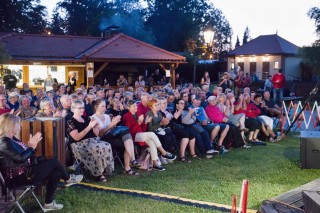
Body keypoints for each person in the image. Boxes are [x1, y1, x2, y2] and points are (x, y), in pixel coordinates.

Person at [0, 113, 83, 211]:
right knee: (54, 161)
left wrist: (31, 148)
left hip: (26, 171)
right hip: (18, 178)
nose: (19, 126)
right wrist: (31, 147)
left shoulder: (12, 139)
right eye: (18, 123)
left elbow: (24, 155)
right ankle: (68, 179)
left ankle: (49, 204)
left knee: (56, 173)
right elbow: (20, 158)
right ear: (11, 125)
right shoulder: (3, 142)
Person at [66, 100, 114, 182]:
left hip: (93, 141)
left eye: (83, 108)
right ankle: (98, 173)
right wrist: (89, 126)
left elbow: (96, 134)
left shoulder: (87, 118)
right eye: (79, 108)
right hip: (79, 145)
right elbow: (76, 138)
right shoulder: (70, 121)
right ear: (73, 109)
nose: (82, 110)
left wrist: (95, 126)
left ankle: (104, 169)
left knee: (107, 145)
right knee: (96, 148)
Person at [122, 100, 176, 171]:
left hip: (140, 134)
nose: (136, 107)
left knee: (151, 142)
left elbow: (143, 129)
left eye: (136, 105)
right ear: (128, 108)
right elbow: (128, 131)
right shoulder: (126, 116)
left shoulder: (138, 114)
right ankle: (163, 152)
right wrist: (139, 122)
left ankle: (155, 163)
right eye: (133, 106)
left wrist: (145, 122)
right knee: (151, 134)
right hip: (132, 136)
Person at [91, 99, 139, 176]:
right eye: (102, 106)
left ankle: (129, 166)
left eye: (105, 106)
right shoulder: (93, 118)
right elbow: (99, 135)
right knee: (127, 138)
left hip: (111, 138)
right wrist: (111, 124)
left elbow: (112, 130)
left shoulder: (106, 116)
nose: (105, 108)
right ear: (96, 107)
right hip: (102, 141)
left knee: (128, 138)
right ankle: (131, 162)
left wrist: (114, 124)